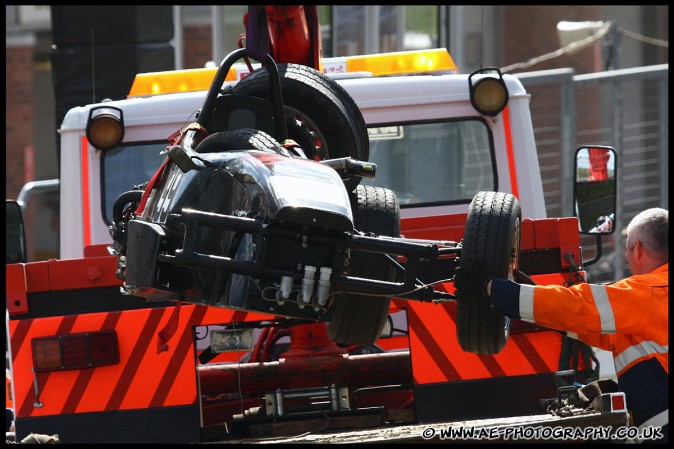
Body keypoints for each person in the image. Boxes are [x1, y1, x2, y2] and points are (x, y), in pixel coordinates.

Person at [454, 207, 668, 443]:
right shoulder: (656, 297)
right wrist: (531, 301)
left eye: (627, 247)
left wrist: (494, 289)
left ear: (636, 248)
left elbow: (580, 306)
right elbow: (592, 325)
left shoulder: (652, 292)